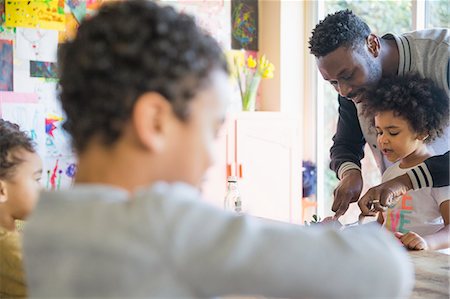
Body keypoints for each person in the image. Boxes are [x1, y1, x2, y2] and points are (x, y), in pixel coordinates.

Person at [23, 1, 413, 298]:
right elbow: (384, 270)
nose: (211, 157)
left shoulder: (49, 225)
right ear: (154, 121)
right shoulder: (161, 227)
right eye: (208, 130)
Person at [308, 10, 450, 219]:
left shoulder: (443, 57)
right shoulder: (351, 89)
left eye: (347, 75)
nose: (343, 91)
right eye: (333, 83)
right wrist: (350, 172)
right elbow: (345, 145)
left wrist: (403, 182)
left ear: (372, 45)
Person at [360, 74, 449, 251]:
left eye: (392, 133)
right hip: (394, 261)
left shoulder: (440, 176)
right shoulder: (390, 174)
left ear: (422, 132)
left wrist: (426, 243)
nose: (383, 140)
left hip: (426, 265)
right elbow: (383, 223)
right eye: (379, 132)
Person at [0, 119, 43, 298]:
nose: (42, 189)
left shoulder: (14, 231)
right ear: (1, 190)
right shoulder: (13, 252)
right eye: (36, 179)